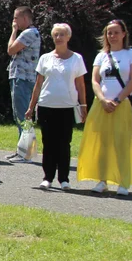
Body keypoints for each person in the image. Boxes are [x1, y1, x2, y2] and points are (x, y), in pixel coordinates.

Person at [77, 19, 132, 195]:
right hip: (101, 104)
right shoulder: (101, 56)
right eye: (109, 32)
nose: (112, 36)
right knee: (102, 143)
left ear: (123, 34)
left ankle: (123, 182)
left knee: (122, 143)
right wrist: (103, 99)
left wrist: (118, 100)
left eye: (116, 32)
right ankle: (102, 180)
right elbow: (95, 80)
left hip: (121, 104)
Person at [25, 23, 88, 190]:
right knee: (49, 142)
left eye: (61, 35)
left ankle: (64, 179)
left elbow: (81, 85)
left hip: (67, 107)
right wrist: (31, 107)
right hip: (46, 105)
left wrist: (83, 105)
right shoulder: (45, 58)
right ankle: (48, 177)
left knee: (64, 143)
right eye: (56, 35)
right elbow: (38, 85)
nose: (58, 38)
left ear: (68, 37)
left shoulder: (77, 59)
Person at [6, 6, 41, 158]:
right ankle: (24, 150)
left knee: (23, 115)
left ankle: (26, 152)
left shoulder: (29, 33)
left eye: (16, 18)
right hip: (19, 76)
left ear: (25, 18)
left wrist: (13, 31)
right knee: (18, 114)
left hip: (23, 78)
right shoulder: (29, 33)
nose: (14, 21)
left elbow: (11, 49)